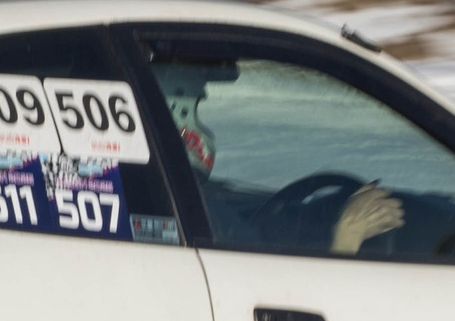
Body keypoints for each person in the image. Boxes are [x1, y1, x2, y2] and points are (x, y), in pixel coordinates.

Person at [157, 61, 404, 256]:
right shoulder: (196, 213)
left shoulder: (185, 201)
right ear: (174, 115)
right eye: (193, 108)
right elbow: (269, 294)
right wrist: (348, 235)